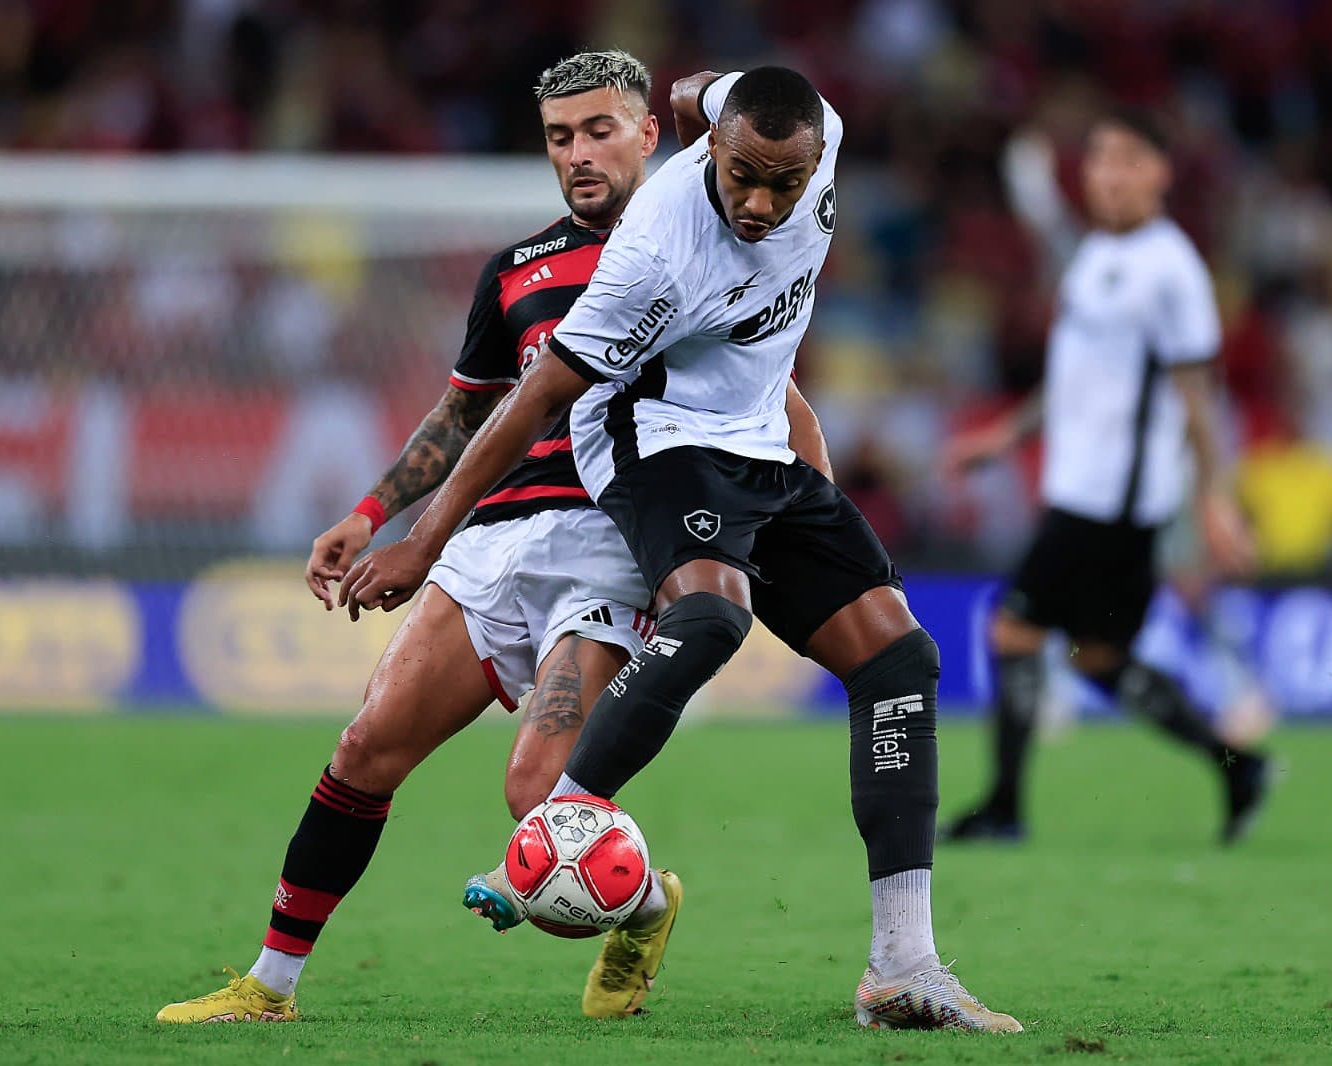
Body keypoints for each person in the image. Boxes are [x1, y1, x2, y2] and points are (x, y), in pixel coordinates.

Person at [155, 49, 834, 1025]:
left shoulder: (703, 248)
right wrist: (365, 515)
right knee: (364, 747)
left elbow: (781, 408)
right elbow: (464, 411)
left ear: (652, 134)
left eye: (600, 130)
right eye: (560, 138)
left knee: (539, 797)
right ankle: (269, 985)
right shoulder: (516, 269)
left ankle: (641, 907)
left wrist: (821, 541)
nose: (579, 154)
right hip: (492, 539)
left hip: (613, 539)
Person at [340, 66, 1022, 1034]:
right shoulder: (655, 252)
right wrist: (419, 537)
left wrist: (705, 93)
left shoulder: (807, 128)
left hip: (756, 440)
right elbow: (532, 397)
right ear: (710, 152)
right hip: (649, 438)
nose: (757, 202)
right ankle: (550, 831)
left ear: (817, 159)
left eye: (781, 185)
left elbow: (702, 88)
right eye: (739, 175)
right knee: (709, 615)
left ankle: (900, 967)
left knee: (899, 659)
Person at [940, 111, 1271, 846]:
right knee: (1100, 658)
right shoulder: (1097, 254)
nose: (1109, 174)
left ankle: (1004, 807)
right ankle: (1237, 764)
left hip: (1114, 503)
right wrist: (1007, 434)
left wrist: (1214, 499)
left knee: (1014, 628)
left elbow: (1198, 397)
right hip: (1085, 490)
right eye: (1098, 159)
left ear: (1160, 172)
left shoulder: (1172, 269)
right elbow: (1076, 378)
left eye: (1127, 159)